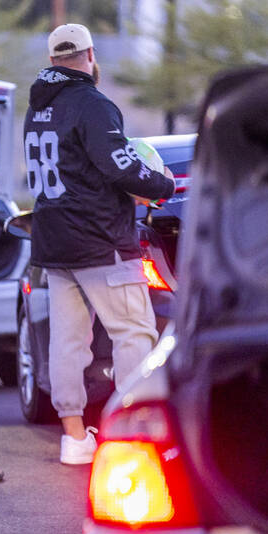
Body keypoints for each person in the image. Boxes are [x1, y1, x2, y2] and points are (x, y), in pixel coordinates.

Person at [24, 23, 175, 465]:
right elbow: (121, 166)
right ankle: (132, 437)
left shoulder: (39, 105)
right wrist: (164, 185)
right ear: (90, 54)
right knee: (134, 332)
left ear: (53, 60)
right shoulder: (92, 103)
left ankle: (74, 437)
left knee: (67, 341)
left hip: (54, 237)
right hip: (99, 238)